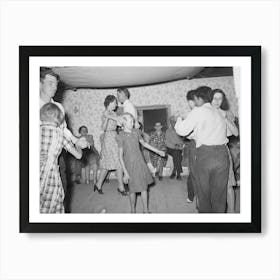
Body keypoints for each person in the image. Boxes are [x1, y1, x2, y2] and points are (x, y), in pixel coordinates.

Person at [175, 86, 230, 213]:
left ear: (198, 98)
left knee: (203, 193)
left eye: (195, 99)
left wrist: (178, 119)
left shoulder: (198, 111)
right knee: (220, 195)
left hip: (206, 155)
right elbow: (219, 132)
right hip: (222, 155)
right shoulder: (219, 112)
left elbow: (182, 130)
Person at [116, 113, 166, 213]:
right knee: (132, 190)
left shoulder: (137, 132)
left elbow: (144, 144)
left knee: (144, 188)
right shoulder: (120, 136)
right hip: (129, 165)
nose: (133, 123)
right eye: (130, 121)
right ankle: (133, 211)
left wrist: (158, 151)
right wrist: (125, 173)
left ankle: (145, 211)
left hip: (140, 163)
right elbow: (120, 156)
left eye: (133, 121)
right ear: (123, 123)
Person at [40, 103, 82, 213]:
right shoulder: (60, 135)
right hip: (51, 176)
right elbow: (78, 155)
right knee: (55, 205)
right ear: (59, 118)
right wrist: (78, 144)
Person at [209, 88, 239, 213]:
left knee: (228, 185)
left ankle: (231, 215)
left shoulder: (226, 113)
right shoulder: (205, 113)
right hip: (208, 153)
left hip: (223, 152)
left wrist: (225, 117)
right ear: (210, 99)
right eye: (214, 98)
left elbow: (236, 133)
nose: (216, 101)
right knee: (212, 187)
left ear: (223, 100)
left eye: (219, 98)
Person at [93, 95, 127, 195]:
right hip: (108, 138)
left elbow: (120, 123)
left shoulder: (113, 113)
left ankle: (98, 185)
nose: (116, 104)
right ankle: (120, 187)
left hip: (114, 136)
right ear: (110, 102)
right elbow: (103, 128)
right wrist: (107, 118)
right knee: (113, 163)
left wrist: (120, 120)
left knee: (114, 163)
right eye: (115, 102)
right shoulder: (105, 113)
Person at [184, 89, 198, 203]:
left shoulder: (196, 112)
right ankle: (191, 195)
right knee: (194, 173)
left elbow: (184, 132)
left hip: (200, 145)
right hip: (196, 145)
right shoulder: (193, 114)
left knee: (196, 173)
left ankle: (197, 197)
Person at [165, 116, 184, 180]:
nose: (173, 123)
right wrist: (174, 146)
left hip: (178, 148)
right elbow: (167, 142)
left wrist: (180, 145)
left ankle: (174, 171)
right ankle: (178, 174)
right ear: (170, 122)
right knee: (177, 154)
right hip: (170, 148)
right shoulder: (168, 131)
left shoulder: (180, 130)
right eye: (172, 122)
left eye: (174, 122)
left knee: (177, 155)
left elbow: (182, 140)